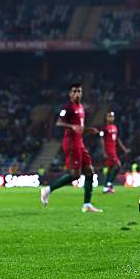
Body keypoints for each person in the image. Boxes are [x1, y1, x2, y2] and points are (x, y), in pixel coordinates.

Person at [40, 83, 102, 213]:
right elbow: (59, 122)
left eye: (79, 91)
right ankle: (47, 190)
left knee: (90, 171)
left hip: (80, 142)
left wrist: (88, 130)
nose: (77, 94)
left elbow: (79, 128)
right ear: (70, 94)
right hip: (70, 143)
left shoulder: (81, 108)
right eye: (74, 91)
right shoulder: (68, 107)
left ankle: (87, 204)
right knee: (75, 175)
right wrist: (71, 126)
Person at [100, 111, 130, 193]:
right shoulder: (104, 128)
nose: (110, 118)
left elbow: (117, 139)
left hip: (113, 150)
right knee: (118, 165)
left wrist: (124, 149)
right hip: (109, 151)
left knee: (110, 169)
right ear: (106, 118)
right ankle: (109, 183)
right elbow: (101, 140)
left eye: (112, 116)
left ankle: (106, 187)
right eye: (109, 116)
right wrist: (104, 152)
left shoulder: (114, 127)